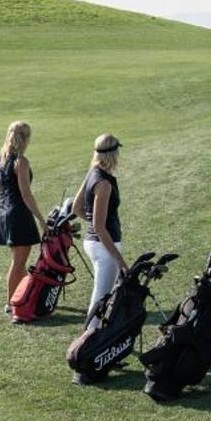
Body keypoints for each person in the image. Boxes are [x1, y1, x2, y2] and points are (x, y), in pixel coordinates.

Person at [0, 121, 45, 314]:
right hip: (18, 214)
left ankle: (26, 294)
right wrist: (41, 219)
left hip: (3, 213)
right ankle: (11, 303)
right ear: (26, 139)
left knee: (18, 261)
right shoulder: (21, 162)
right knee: (18, 263)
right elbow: (26, 194)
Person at [77, 133, 125, 320]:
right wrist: (120, 260)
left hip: (93, 244)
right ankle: (88, 339)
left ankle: (96, 335)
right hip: (104, 246)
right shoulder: (104, 184)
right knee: (101, 298)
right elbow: (99, 226)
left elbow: (77, 208)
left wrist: (93, 222)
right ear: (113, 154)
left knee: (104, 296)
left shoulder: (92, 174)